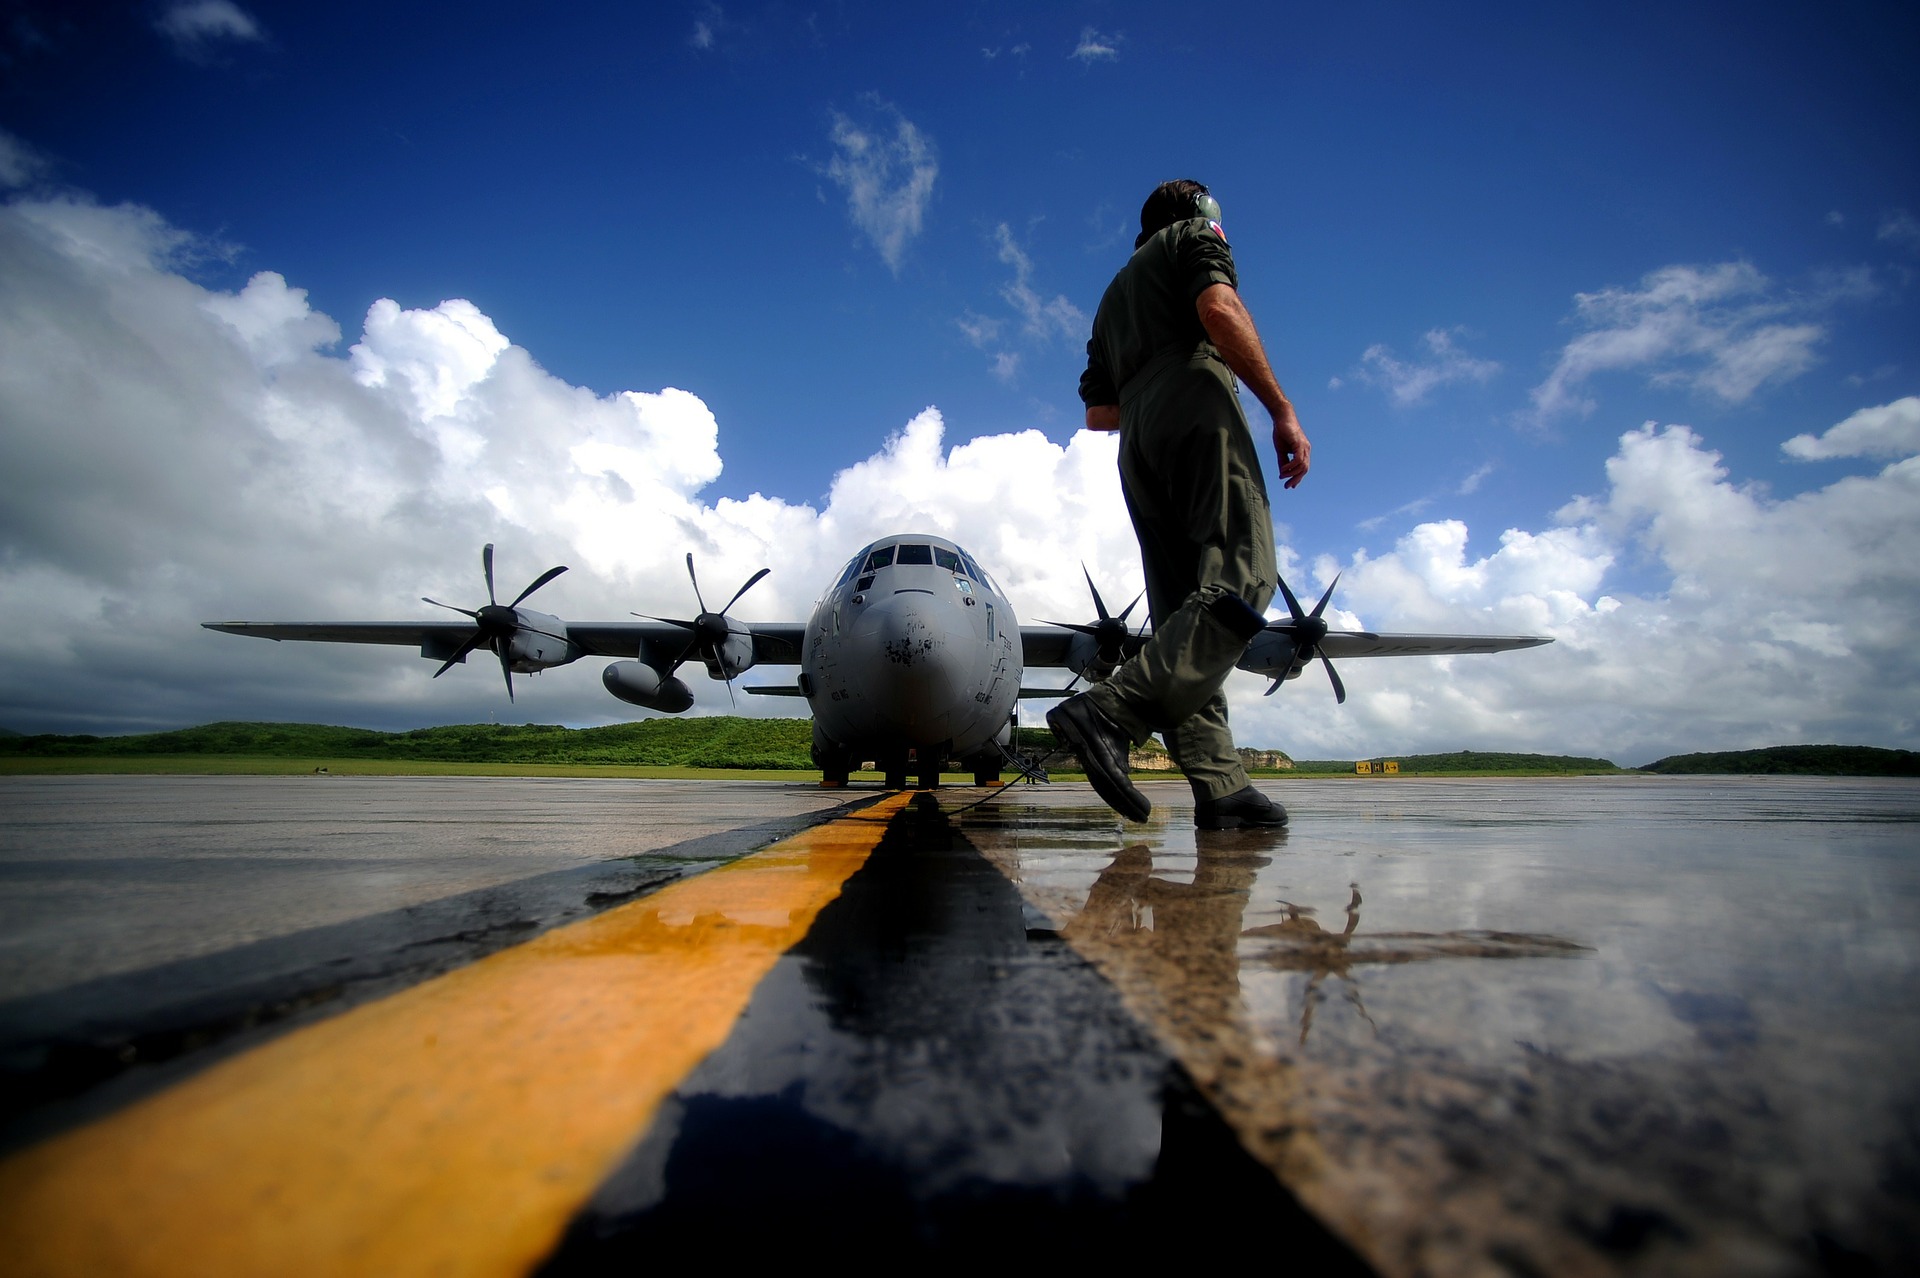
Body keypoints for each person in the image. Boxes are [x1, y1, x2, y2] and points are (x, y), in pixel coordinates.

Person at [1047, 180, 1309, 830]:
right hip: (1196, 400)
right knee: (1243, 572)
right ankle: (1112, 711)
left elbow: (1096, 413)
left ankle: (1219, 784)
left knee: (1179, 615)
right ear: (1202, 214)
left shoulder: (1111, 300)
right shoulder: (1195, 237)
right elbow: (1220, 310)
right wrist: (1280, 409)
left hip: (1136, 439)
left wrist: (1147, 397)